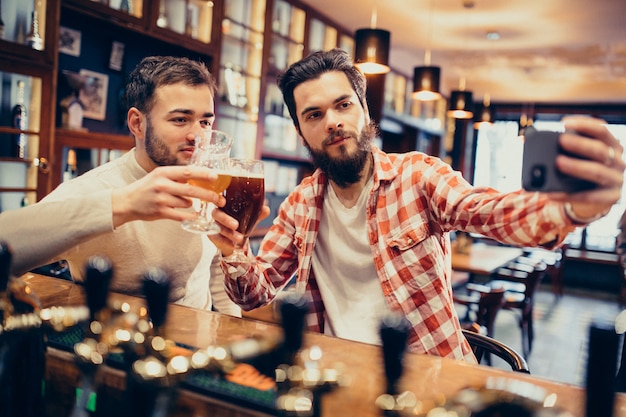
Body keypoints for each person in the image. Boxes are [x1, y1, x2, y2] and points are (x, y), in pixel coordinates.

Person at [208, 48, 625, 361]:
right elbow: (255, 294)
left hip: (429, 371)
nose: (332, 121)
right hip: (335, 371)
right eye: (313, 115)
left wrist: (571, 210)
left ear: (364, 109)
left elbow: (487, 211)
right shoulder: (299, 204)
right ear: (301, 132)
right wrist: (233, 250)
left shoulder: (417, 176)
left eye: (342, 105)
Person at [0, 56, 240, 316]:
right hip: (122, 346)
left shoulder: (207, 187)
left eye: (205, 122)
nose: (198, 136)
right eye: (180, 120)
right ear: (137, 123)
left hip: (196, 350)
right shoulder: (97, 187)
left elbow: (214, 272)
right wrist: (122, 204)